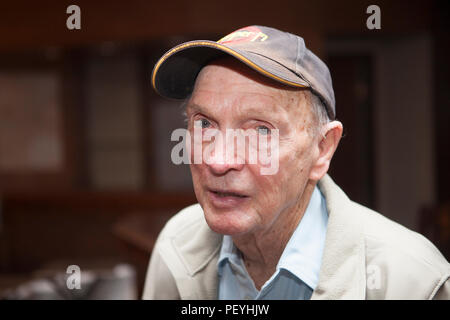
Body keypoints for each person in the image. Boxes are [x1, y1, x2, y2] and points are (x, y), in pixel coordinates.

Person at [142, 25, 450, 299]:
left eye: (261, 130)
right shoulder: (176, 246)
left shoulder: (411, 281)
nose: (219, 160)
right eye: (205, 124)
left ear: (322, 149)